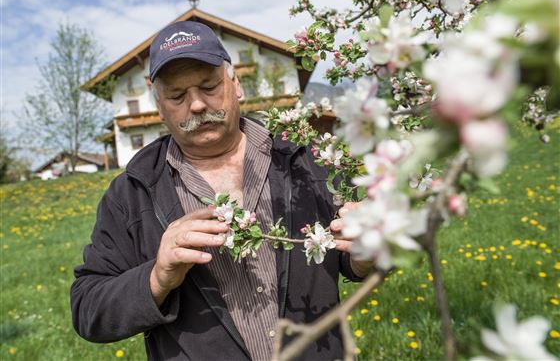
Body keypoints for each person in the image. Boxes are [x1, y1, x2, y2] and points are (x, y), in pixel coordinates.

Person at [71, 21, 372, 360]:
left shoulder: (304, 159)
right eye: (177, 96)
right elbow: (88, 308)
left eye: (209, 86)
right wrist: (156, 277)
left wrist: (365, 254)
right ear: (159, 107)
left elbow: (354, 258)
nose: (197, 105)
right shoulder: (132, 193)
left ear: (236, 84)